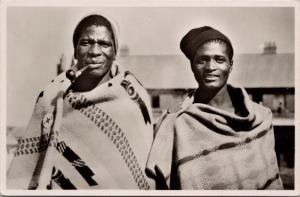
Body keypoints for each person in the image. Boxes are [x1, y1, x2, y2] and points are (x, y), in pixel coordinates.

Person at [7, 14, 154, 189]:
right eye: (86, 43)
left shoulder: (133, 99)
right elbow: (25, 172)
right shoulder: (52, 99)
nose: (94, 51)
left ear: (115, 52)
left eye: (104, 44)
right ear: (75, 51)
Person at [146, 26, 283, 190]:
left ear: (230, 65)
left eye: (219, 59)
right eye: (202, 60)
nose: (211, 67)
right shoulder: (175, 124)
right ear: (192, 66)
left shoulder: (261, 119)